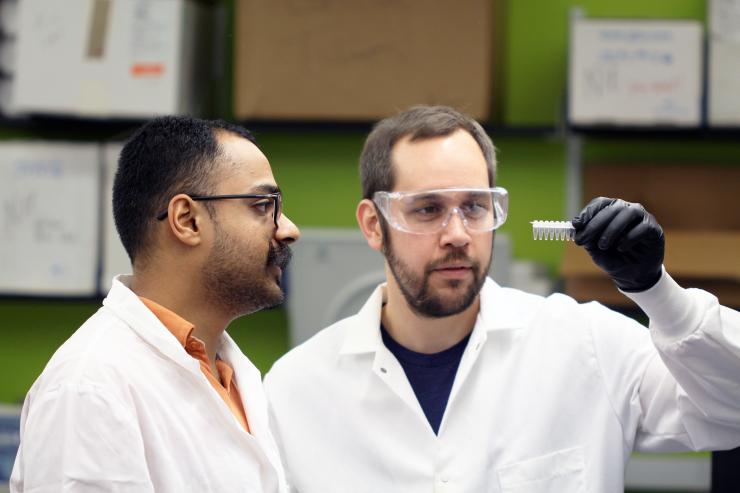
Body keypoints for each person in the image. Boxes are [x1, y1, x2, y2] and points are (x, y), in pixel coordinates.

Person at [264, 106, 740, 493]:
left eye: (474, 207)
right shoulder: (296, 391)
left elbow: (730, 413)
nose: (457, 234)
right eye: (428, 209)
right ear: (373, 224)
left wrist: (656, 292)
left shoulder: (587, 345)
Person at [11, 116, 300, 492]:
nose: (289, 229)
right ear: (187, 220)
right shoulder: (90, 388)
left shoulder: (230, 372)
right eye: (263, 206)